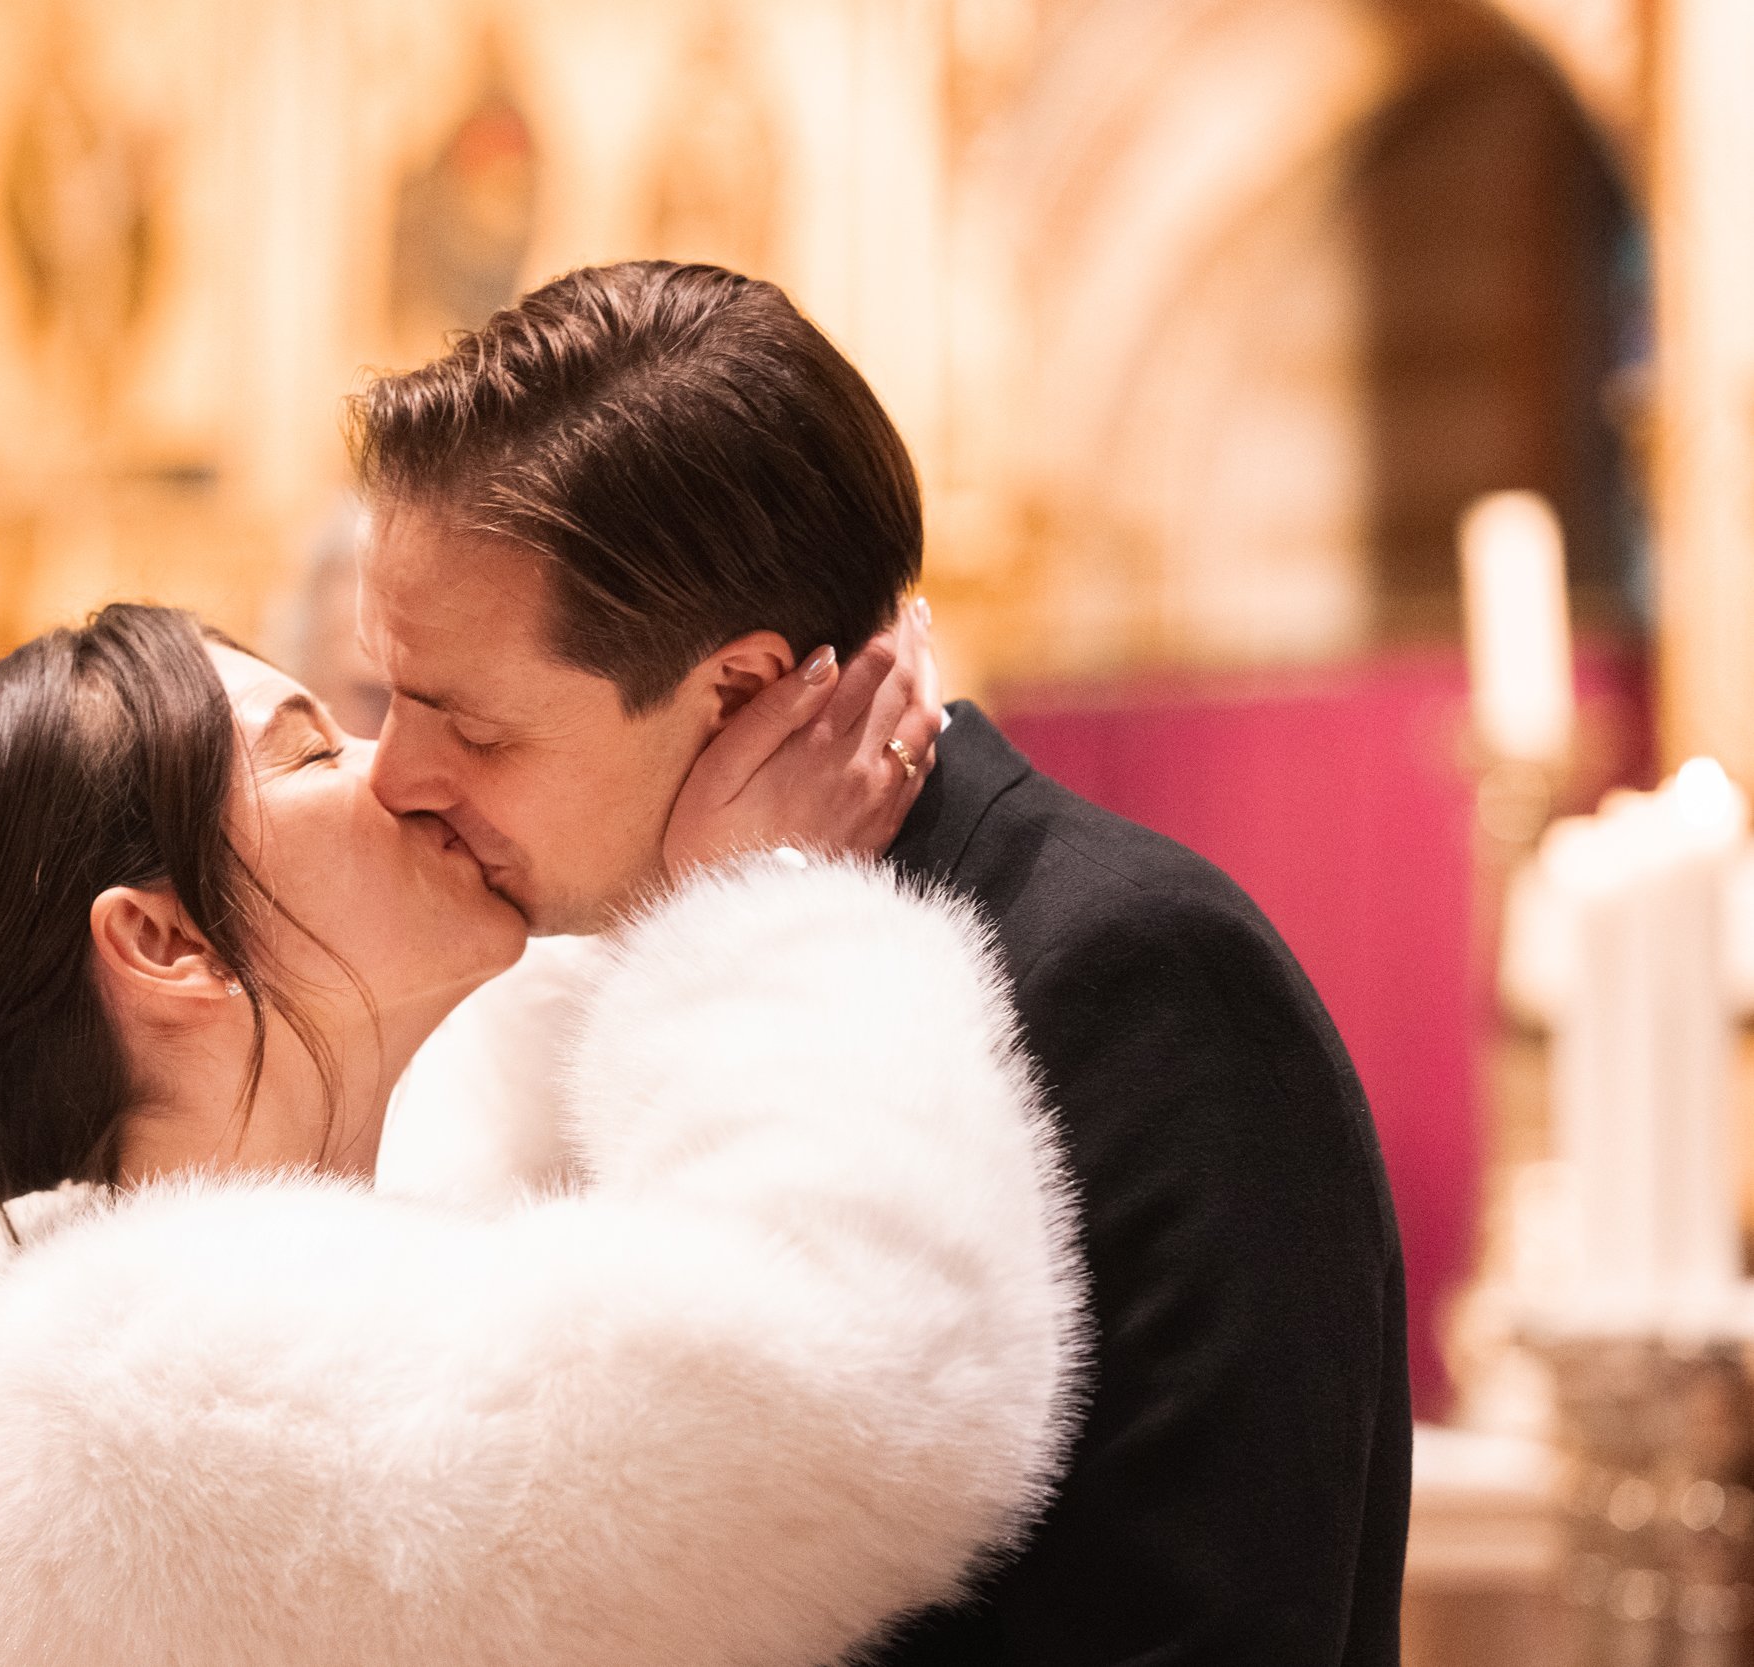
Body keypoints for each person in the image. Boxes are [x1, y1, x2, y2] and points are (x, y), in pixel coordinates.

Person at [354, 260, 1412, 1664]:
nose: (395, 776)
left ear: (734, 690)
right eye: (386, 699)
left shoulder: (1136, 979)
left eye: (470, 728)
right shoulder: (599, 970)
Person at [0, 602, 1087, 1667]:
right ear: (168, 941)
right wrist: (773, 903)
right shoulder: (153, 1401)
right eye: (310, 750)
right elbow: (880, 1380)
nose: (404, 768)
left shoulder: (309, 1269)